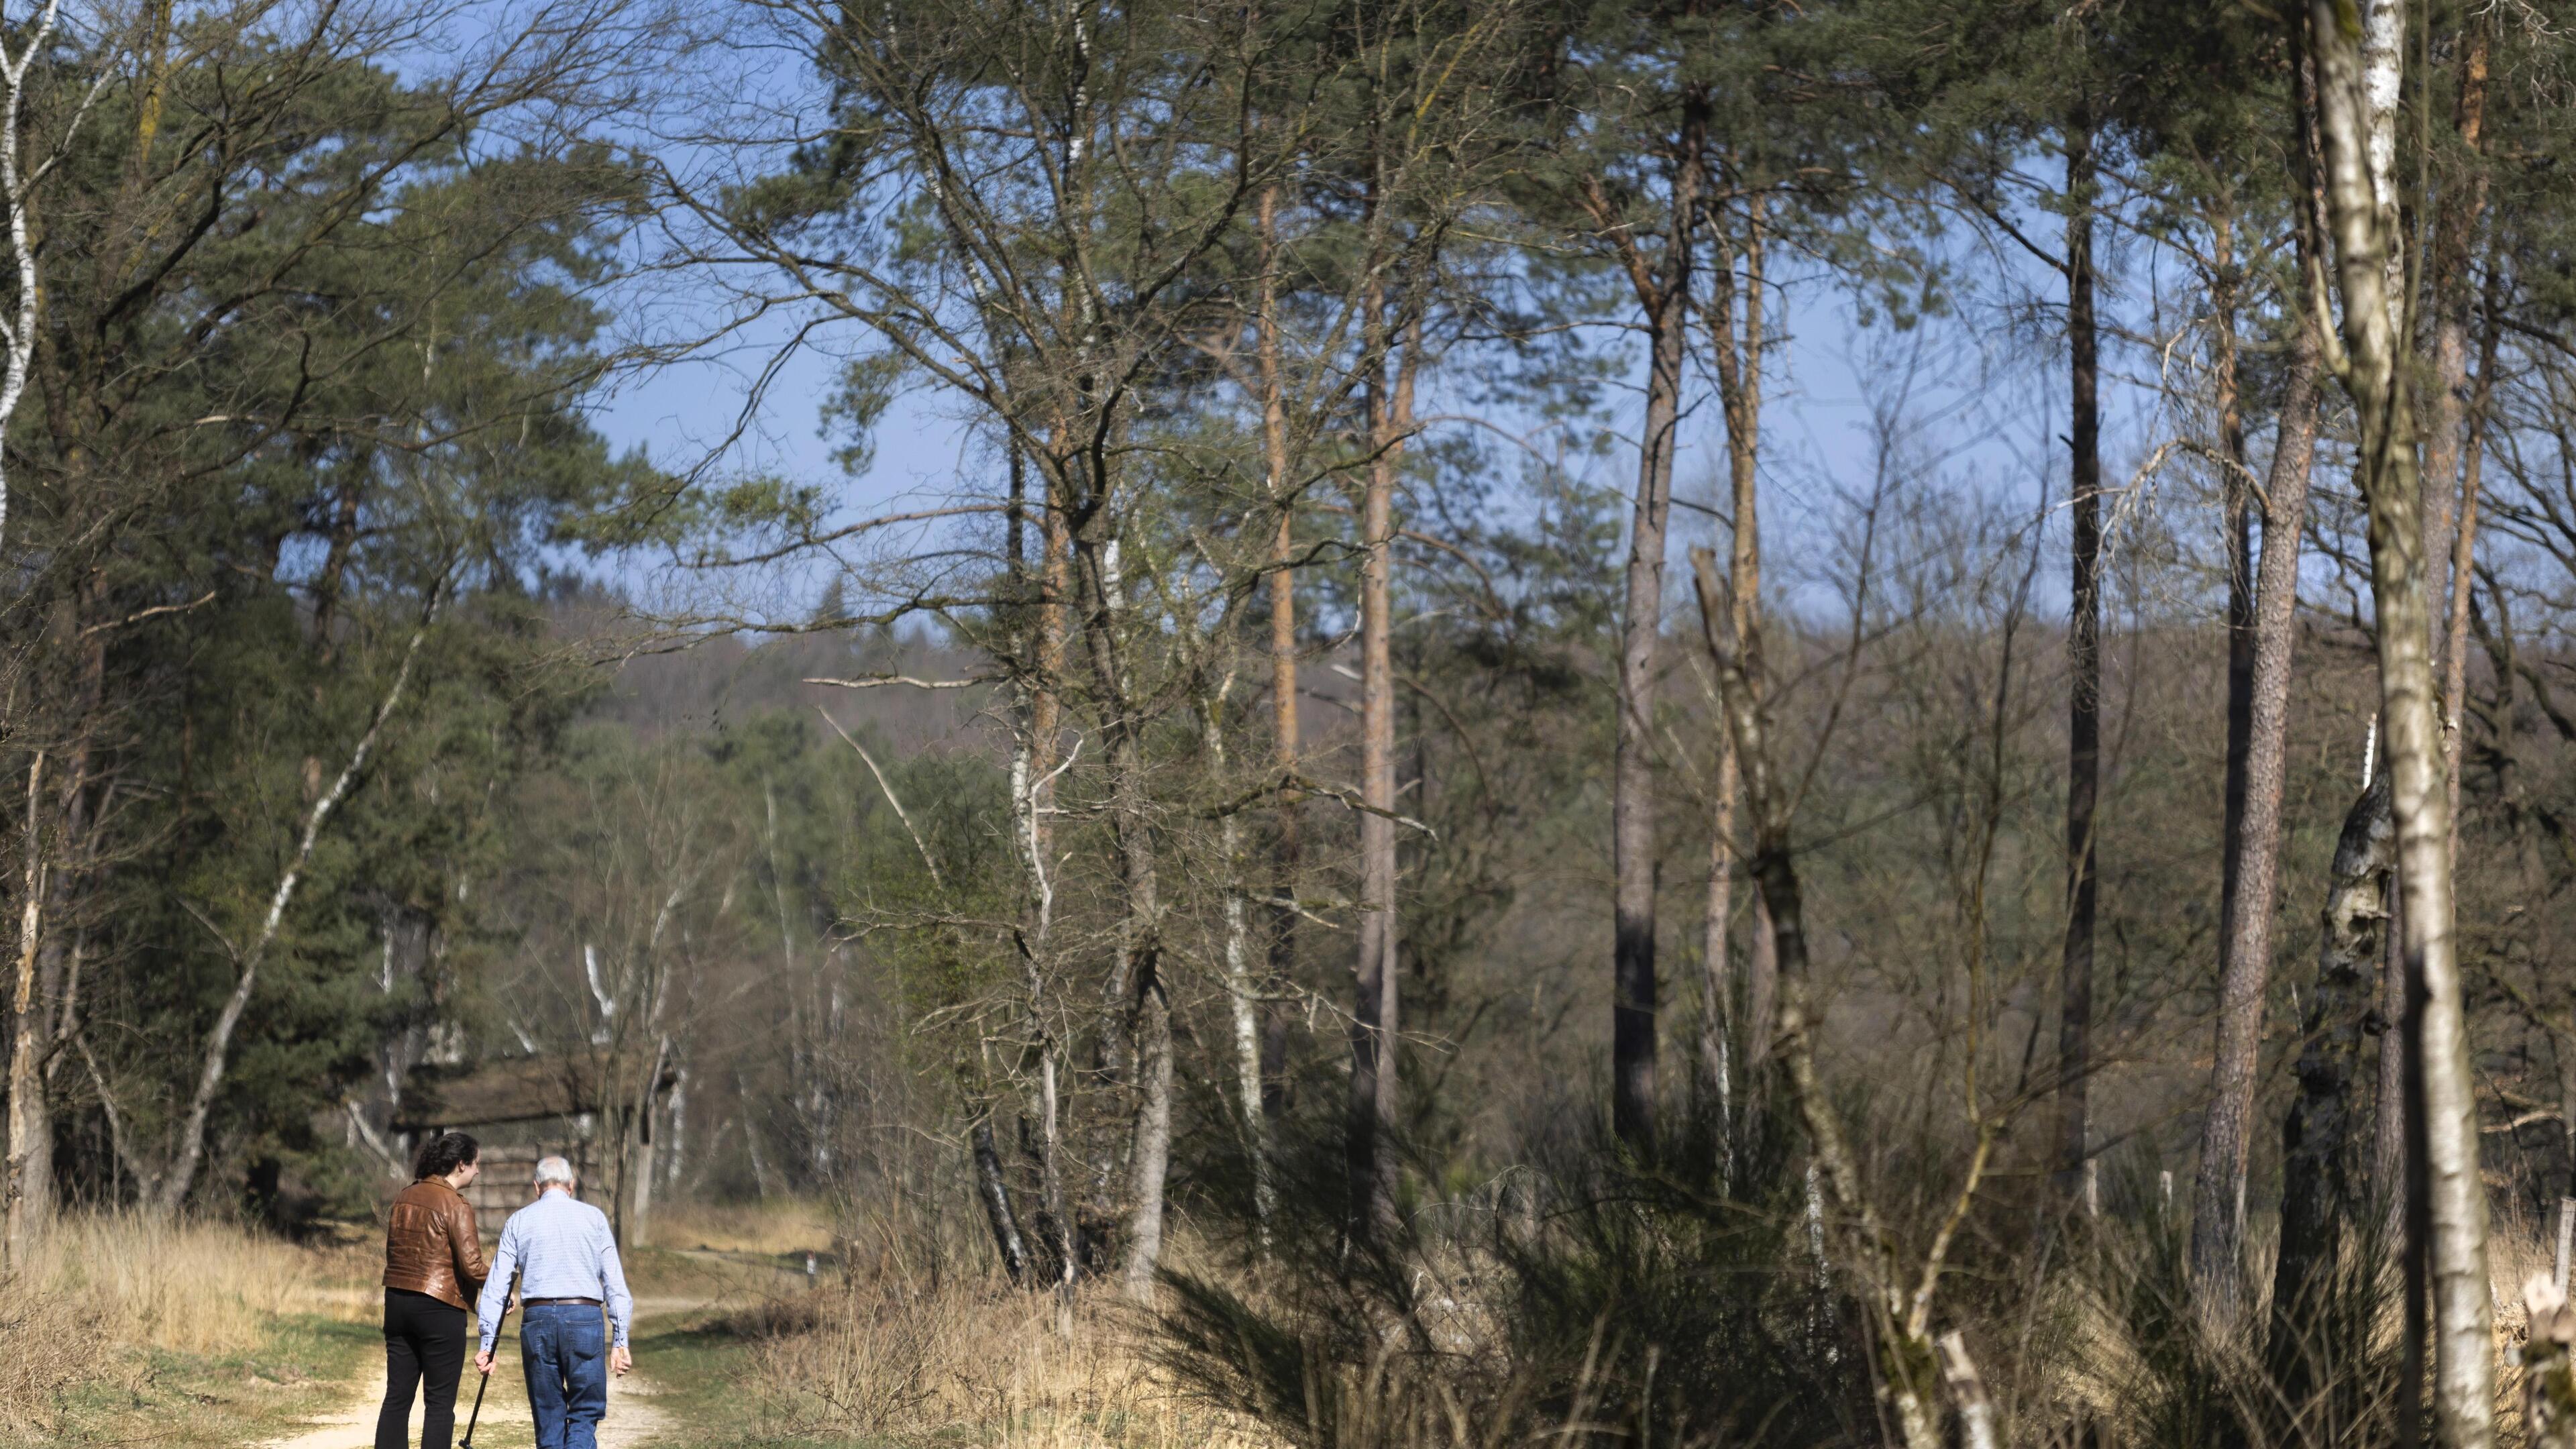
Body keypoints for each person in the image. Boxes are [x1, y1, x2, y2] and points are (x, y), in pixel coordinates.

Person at [474, 1156, 635, 1449]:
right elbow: (614, 1282)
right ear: (571, 1186)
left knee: (548, 1415)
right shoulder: (594, 1218)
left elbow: (497, 1284)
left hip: (537, 1320)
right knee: (585, 1412)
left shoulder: (518, 1221)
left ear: (537, 1187)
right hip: (584, 1316)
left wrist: (488, 1343)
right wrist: (620, 1339)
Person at [378, 1131, 490, 1449]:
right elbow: (472, 1266)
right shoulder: (456, 1204)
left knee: (397, 1399)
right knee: (439, 1405)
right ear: (460, 1164)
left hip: (397, 1301)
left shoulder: (403, 1196)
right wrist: (502, 1284)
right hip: (439, 1308)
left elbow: (393, 1251)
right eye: (475, 1164)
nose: (478, 1171)